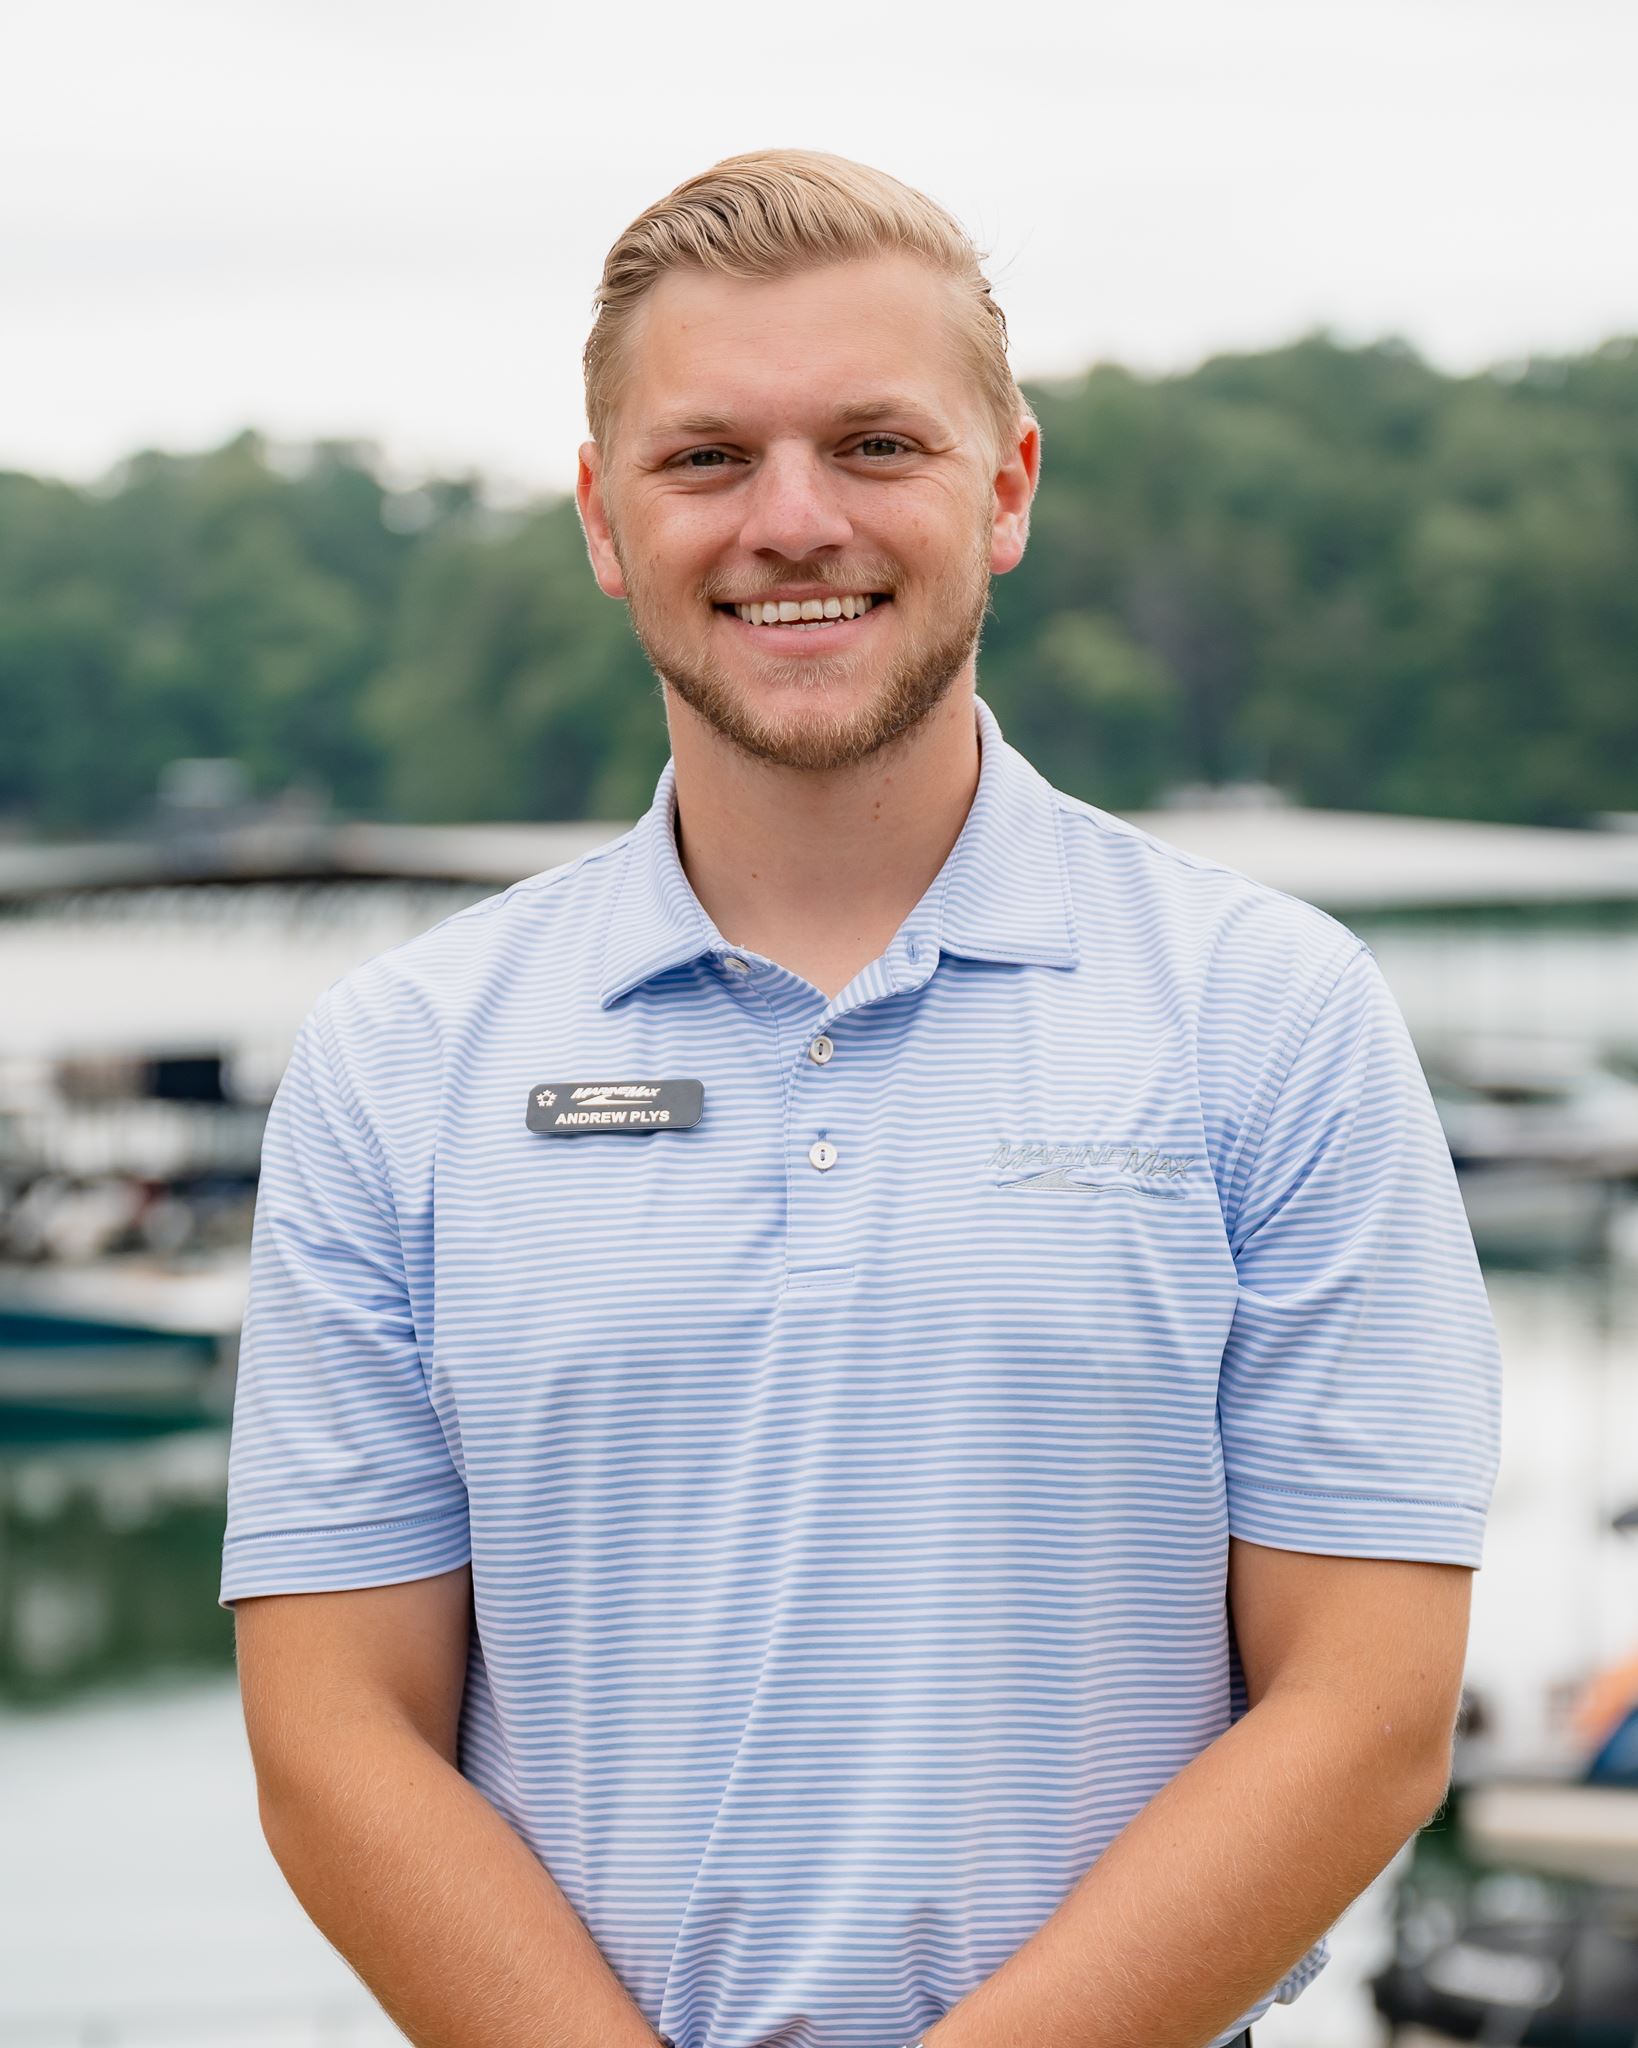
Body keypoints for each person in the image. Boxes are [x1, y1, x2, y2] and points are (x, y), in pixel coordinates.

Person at [220, 149, 1503, 2048]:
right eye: (705, 457)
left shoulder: (1270, 1015)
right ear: (601, 516)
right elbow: (337, 1733)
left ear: (1006, 489)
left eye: (875, 445)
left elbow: (1365, 1715)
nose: (791, 520)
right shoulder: (399, 1060)